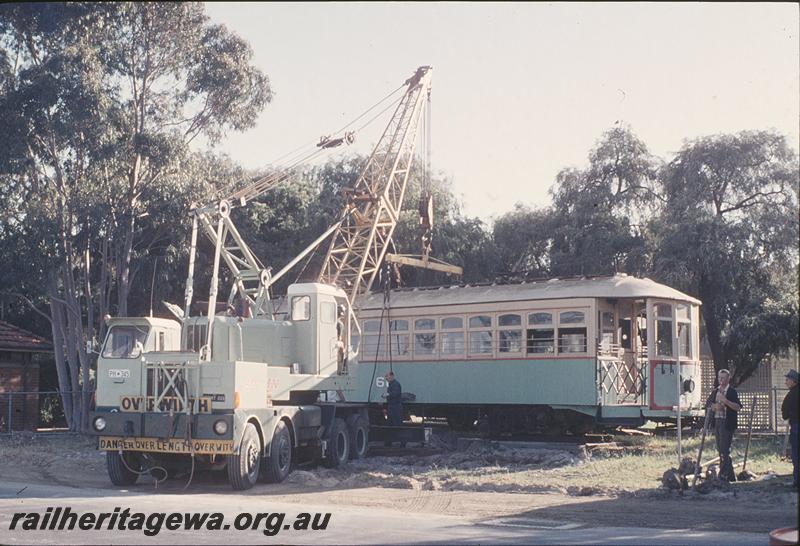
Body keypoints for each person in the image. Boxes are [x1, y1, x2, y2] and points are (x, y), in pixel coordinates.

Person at [705, 369, 742, 482]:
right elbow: (708, 404)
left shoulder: (731, 391)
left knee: (724, 450)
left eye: (723, 378)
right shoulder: (715, 391)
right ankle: (731, 476)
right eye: (719, 377)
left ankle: (723, 475)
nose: (721, 380)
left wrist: (726, 402)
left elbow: (738, 407)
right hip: (717, 422)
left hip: (727, 423)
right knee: (720, 449)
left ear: (728, 378)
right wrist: (714, 406)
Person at [781, 369, 799, 489]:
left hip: (797, 425)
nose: (785, 382)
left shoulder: (792, 394)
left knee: (796, 454)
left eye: (787, 379)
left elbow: (785, 412)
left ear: (793, 381)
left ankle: (797, 481)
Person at [382, 371, 405, 447]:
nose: (386, 378)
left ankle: (403, 442)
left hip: (396, 407)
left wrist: (387, 395)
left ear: (392, 376)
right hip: (391, 407)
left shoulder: (396, 384)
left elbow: (395, 393)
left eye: (387, 376)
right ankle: (388, 442)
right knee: (390, 424)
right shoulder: (391, 385)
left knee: (398, 424)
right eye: (385, 376)